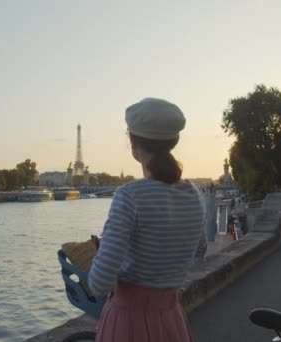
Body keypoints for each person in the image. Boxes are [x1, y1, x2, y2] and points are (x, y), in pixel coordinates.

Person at [88, 98, 205, 342]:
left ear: (134, 143)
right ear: (173, 142)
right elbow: (198, 250)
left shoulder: (129, 195)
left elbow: (99, 284)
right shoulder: (194, 194)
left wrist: (100, 256)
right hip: (172, 320)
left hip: (129, 323)